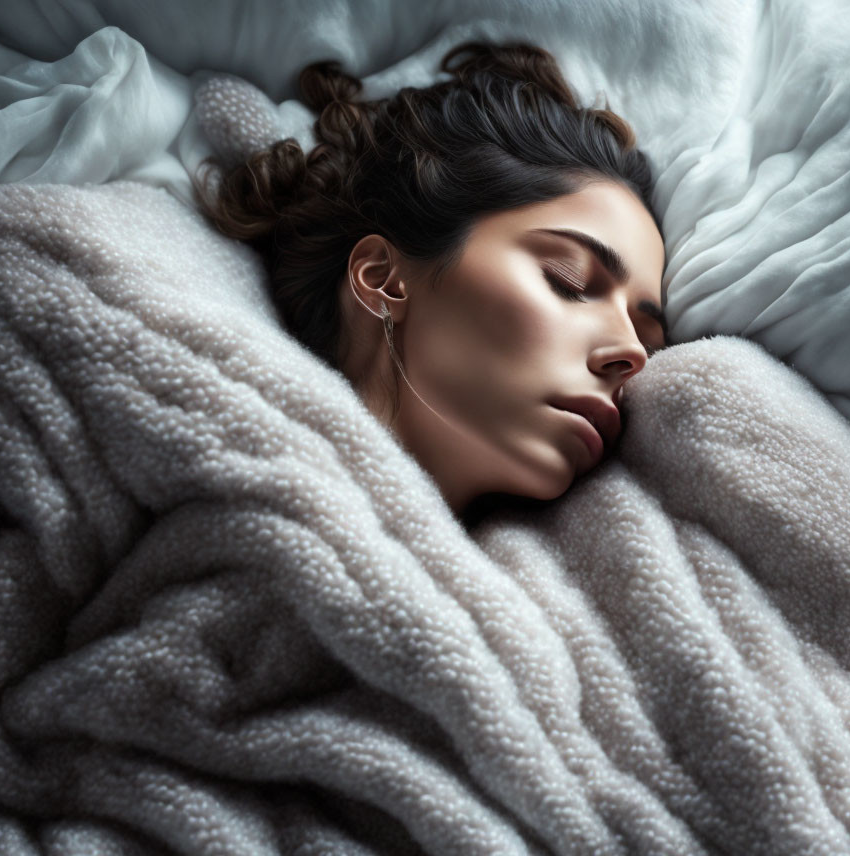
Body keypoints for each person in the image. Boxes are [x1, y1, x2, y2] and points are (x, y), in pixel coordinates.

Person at [196, 40, 668, 523]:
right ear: (383, 278)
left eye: (648, 341)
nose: (632, 356)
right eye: (567, 281)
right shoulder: (215, 463)